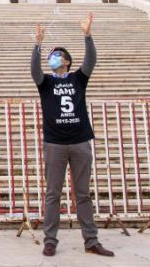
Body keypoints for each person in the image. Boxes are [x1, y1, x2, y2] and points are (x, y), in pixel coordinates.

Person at [31, 13, 114, 258]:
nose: (53, 58)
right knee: (52, 194)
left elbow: (91, 61)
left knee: (83, 194)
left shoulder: (78, 78)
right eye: (51, 55)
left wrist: (87, 35)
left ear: (66, 60)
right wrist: (37, 45)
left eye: (57, 55)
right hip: (55, 143)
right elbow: (33, 69)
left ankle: (91, 240)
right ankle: (50, 240)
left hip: (79, 141)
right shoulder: (45, 82)